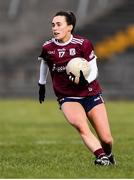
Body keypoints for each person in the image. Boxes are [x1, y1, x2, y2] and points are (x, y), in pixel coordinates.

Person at [37, 11, 116, 166]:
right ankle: (101, 157)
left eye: (59, 24)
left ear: (69, 27)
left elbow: (94, 69)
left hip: (90, 93)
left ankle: (108, 154)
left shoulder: (83, 44)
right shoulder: (48, 47)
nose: (55, 28)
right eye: (53, 25)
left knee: (106, 139)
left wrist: (84, 80)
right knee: (81, 125)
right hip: (67, 96)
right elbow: (45, 62)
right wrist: (41, 84)